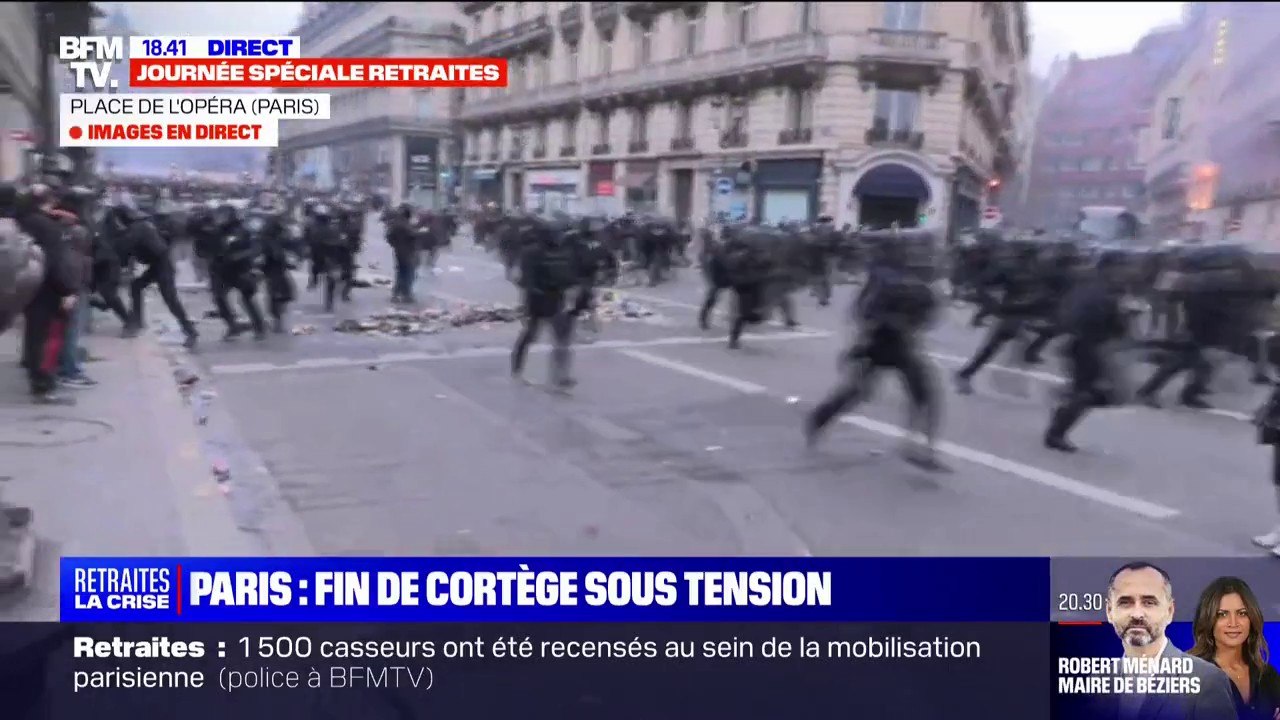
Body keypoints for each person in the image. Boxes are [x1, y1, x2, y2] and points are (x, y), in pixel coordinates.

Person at [1101, 561, 1236, 720]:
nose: (1137, 614)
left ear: (1170, 611)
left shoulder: (1207, 681)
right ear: (1109, 611)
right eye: (1125, 602)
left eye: (1149, 602)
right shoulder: (1096, 682)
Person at [1189, 577, 1280, 719]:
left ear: (1251, 619)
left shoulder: (1268, 676)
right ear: (1209, 620)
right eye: (1222, 614)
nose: (1233, 623)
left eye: (1242, 613)